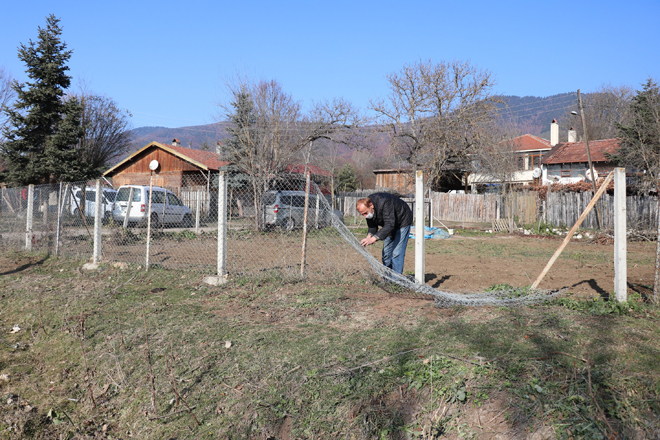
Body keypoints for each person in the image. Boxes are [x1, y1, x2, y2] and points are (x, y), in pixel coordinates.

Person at [356, 193, 413, 274]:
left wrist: (373, 239)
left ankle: (397, 279)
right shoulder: (368, 208)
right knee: (386, 254)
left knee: (397, 253)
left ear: (371, 205)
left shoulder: (385, 202)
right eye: (362, 214)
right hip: (389, 225)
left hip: (402, 221)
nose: (365, 216)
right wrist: (369, 237)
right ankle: (388, 278)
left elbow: (390, 225)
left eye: (365, 213)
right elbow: (372, 226)